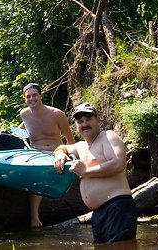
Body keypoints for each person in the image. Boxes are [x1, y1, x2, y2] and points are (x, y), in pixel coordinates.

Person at [54, 102, 137, 243]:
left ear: (98, 119)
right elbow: (62, 147)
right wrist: (59, 154)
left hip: (116, 207)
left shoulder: (108, 137)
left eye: (88, 119)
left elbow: (118, 164)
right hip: (98, 213)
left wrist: (86, 171)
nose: (84, 124)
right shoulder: (80, 146)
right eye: (80, 121)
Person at [18, 83, 75, 228]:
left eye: (34, 95)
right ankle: (34, 217)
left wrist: (74, 155)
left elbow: (70, 139)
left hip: (56, 152)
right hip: (35, 154)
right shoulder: (24, 114)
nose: (32, 99)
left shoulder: (57, 114)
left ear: (41, 96)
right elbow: (22, 128)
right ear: (25, 99)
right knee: (34, 175)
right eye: (28, 96)